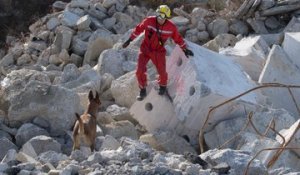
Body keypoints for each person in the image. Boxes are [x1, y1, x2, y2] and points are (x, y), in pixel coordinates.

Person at [123, 5, 194, 101]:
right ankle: (142, 89)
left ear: (167, 17)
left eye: (163, 16)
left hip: (158, 51)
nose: (160, 18)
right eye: (159, 15)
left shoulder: (171, 27)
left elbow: (178, 39)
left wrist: (185, 49)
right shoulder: (149, 21)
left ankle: (163, 86)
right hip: (145, 49)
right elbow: (138, 29)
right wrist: (129, 40)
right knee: (139, 71)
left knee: (162, 72)